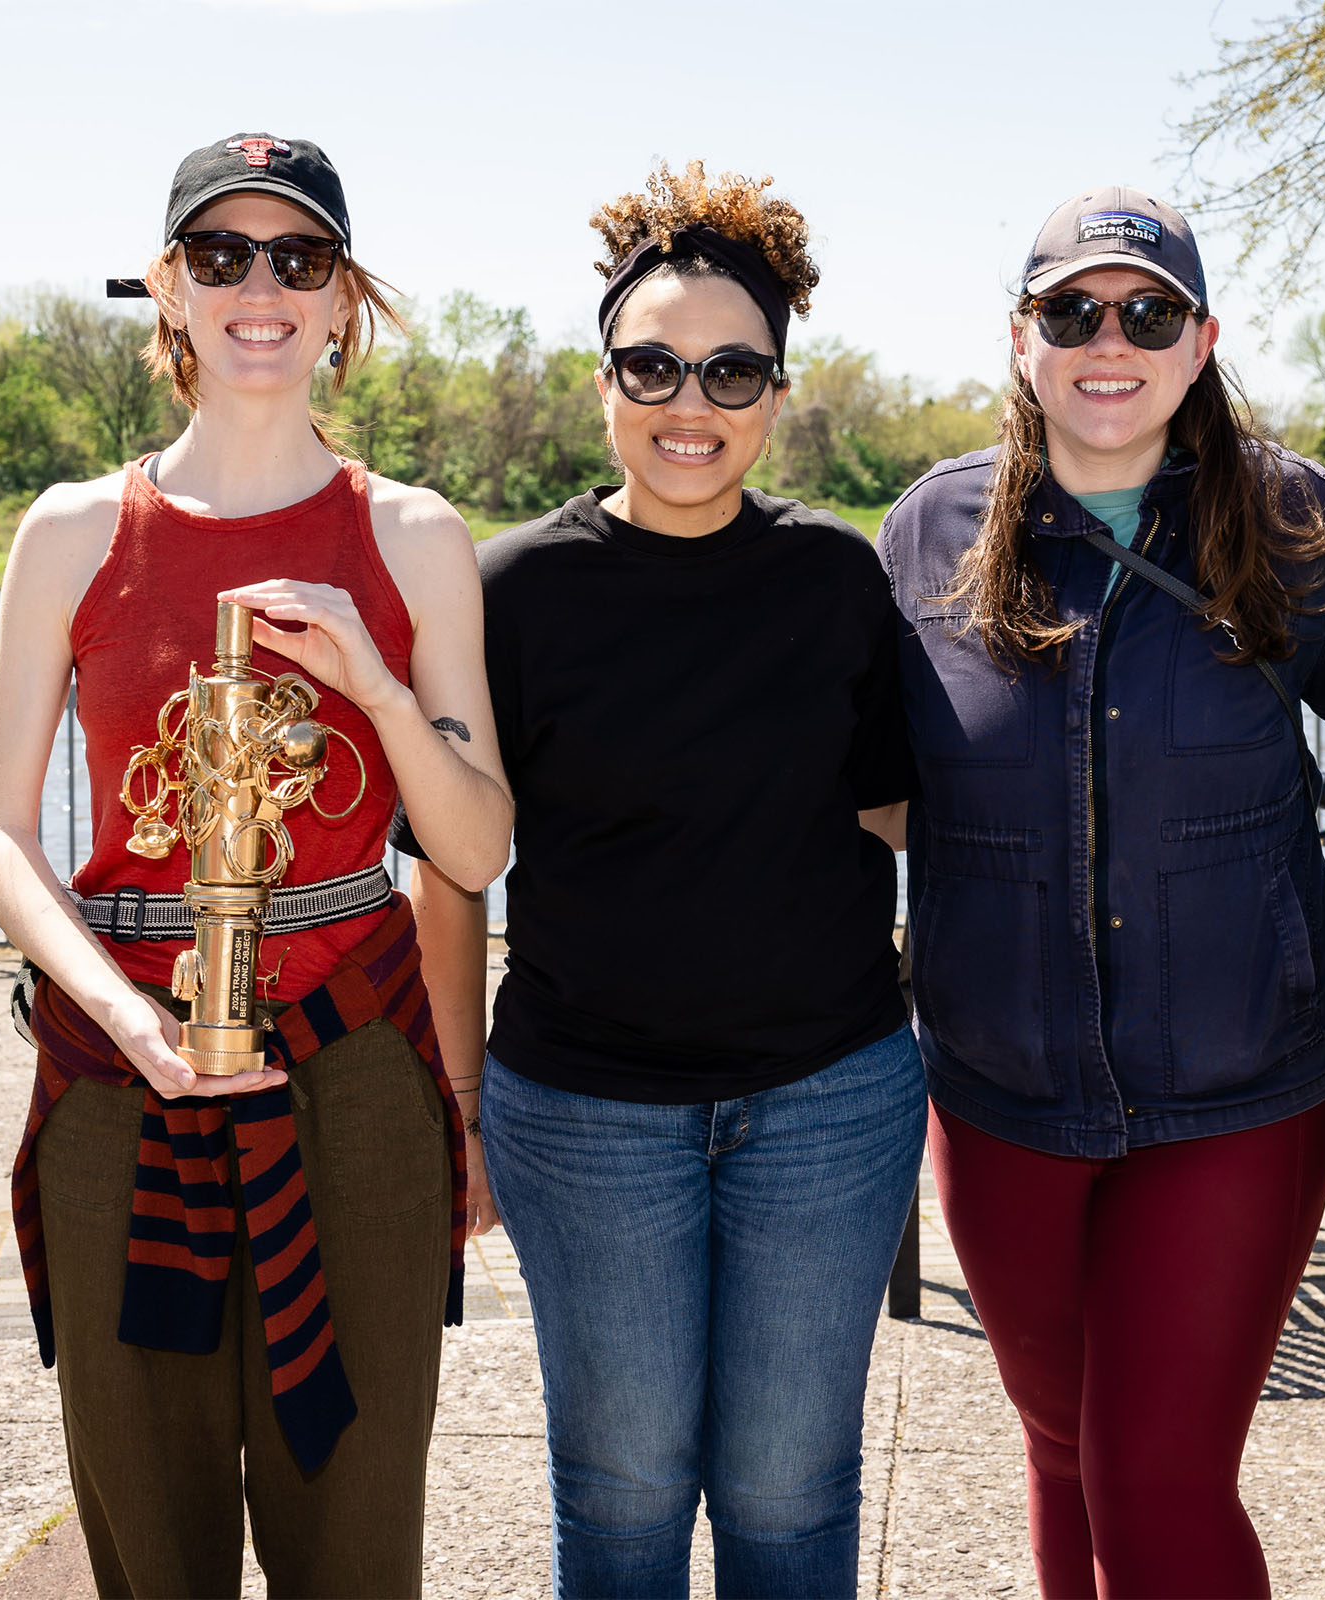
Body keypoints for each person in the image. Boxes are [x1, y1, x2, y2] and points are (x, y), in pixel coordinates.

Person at [0, 134, 510, 1599]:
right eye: (221, 257)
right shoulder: (74, 530)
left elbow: (475, 846)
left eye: (299, 259)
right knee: (149, 1537)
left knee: (357, 1537)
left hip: (357, 1072)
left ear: (345, 299)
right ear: (168, 290)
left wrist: (380, 689)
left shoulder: (414, 534)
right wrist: (123, 1016)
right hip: (115, 1062)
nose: (260, 287)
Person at [407, 160, 923, 1599]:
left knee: (789, 1494)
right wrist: (456, 1103)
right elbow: (450, 879)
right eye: (654, 364)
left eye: (731, 371)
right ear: (603, 382)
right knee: (624, 1494)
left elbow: (891, 812)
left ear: (777, 391)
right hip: (582, 1115)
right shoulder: (508, 591)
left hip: (828, 1099)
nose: (690, 404)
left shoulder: (839, 578)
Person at [877, 187, 1325, 1598]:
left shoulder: (1289, 519)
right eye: (1072, 311)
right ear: (1020, 339)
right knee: (1060, 1450)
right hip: (1002, 1091)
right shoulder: (929, 532)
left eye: (1148, 312)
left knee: (1155, 1479)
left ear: (1201, 338)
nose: (1111, 341)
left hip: (1236, 1088)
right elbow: (858, 773)